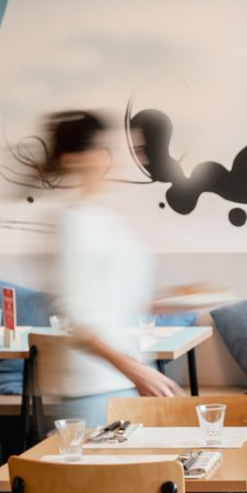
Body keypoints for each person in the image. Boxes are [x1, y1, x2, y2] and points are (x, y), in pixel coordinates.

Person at [42, 111, 180, 422]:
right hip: (90, 388)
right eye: (103, 149)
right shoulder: (71, 223)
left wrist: (166, 300)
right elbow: (75, 318)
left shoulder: (107, 220)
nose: (114, 157)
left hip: (122, 381)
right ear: (74, 159)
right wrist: (135, 370)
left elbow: (113, 299)